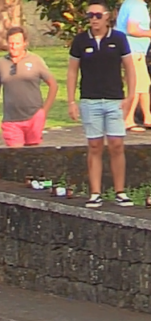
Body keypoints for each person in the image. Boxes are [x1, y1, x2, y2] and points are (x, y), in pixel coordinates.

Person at [67, 2, 136, 208]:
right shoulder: (80, 41)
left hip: (115, 99)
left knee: (116, 144)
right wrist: (71, 101)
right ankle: (95, 192)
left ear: (107, 17)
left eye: (98, 15)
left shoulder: (118, 39)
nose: (94, 19)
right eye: (90, 16)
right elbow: (72, 71)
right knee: (95, 145)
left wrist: (131, 96)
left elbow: (129, 68)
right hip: (90, 99)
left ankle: (120, 191)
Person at [0, 27, 58, 148]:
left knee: (32, 156)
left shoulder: (35, 60)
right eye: (11, 43)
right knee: (16, 155)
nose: (13, 47)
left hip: (33, 117)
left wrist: (43, 111)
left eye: (17, 43)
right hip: (11, 119)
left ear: (25, 43)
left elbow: (53, 85)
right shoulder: (1, 62)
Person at [115, 0, 151, 130]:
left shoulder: (129, 3)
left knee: (144, 84)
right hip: (133, 51)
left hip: (133, 51)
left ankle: (148, 117)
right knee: (136, 85)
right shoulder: (137, 6)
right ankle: (127, 120)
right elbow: (132, 29)